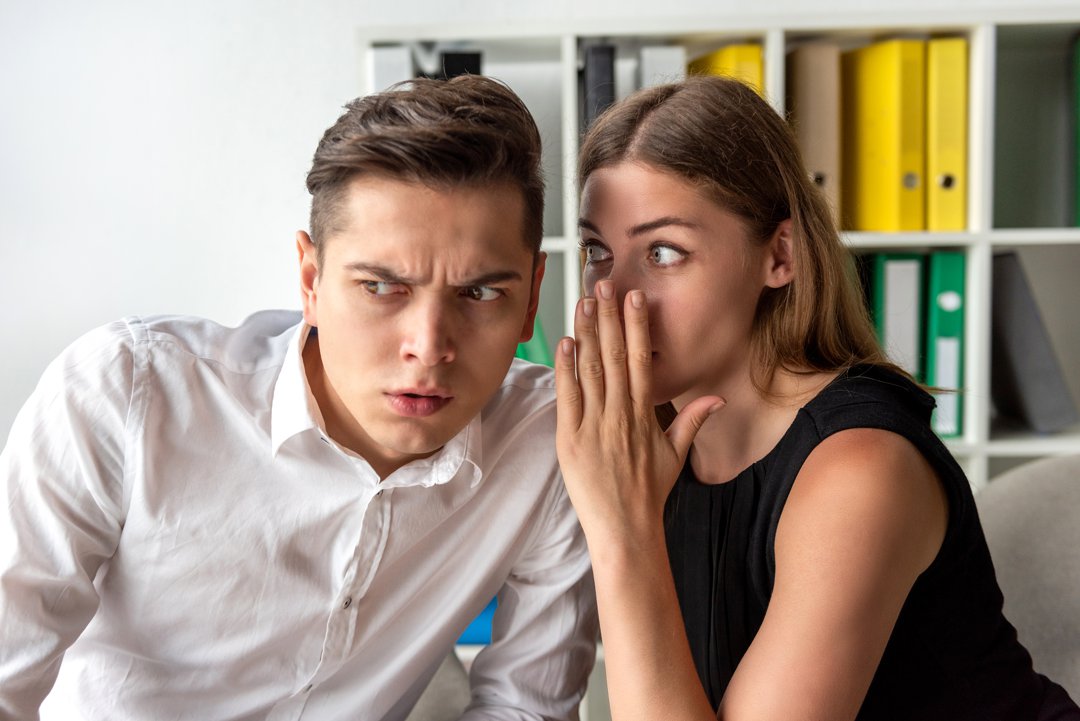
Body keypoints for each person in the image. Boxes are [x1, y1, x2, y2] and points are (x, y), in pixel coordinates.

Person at [0, 75, 598, 720]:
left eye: (480, 294)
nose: (429, 347)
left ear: (533, 295)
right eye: (381, 287)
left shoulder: (553, 439)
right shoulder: (126, 392)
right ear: (311, 280)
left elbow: (525, 709)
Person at [554, 74, 1080, 721]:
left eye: (663, 251)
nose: (617, 295)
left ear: (780, 255)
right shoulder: (639, 442)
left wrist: (620, 530)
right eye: (598, 251)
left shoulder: (861, 467)